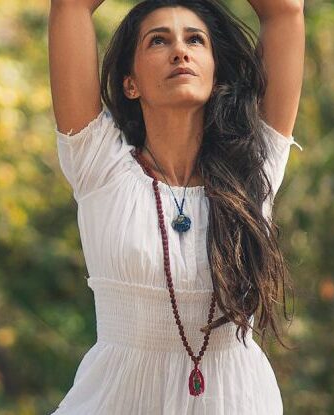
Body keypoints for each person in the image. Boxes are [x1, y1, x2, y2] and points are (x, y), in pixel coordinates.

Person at [48, 0, 304, 413]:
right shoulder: (98, 165)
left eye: (195, 39)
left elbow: (285, 11)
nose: (180, 51)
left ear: (215, 70)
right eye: (158, 40)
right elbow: (71, 6)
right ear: (131, 83)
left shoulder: (253, 166)